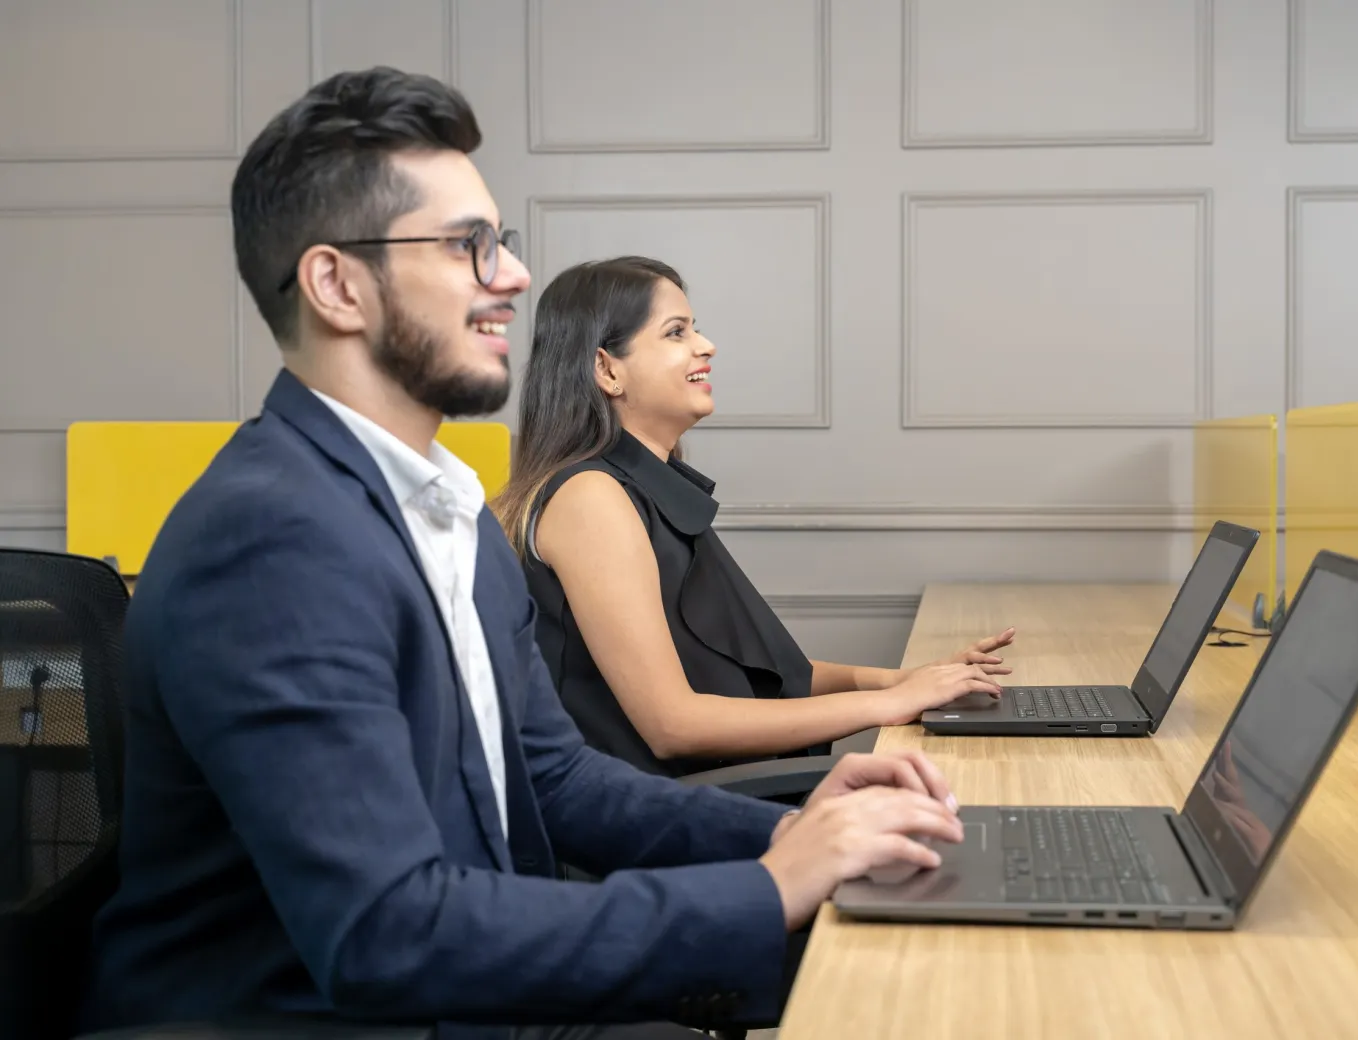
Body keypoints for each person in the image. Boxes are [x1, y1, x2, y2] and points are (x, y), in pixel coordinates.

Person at [81, 66, 968, 1040]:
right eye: (468, 246)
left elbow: (558, 779)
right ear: (337, 284)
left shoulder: (447, 504)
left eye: (501, 243)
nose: (510, 275)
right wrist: (767, 887)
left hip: (471, 990)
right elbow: (386, 931)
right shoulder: (271, 540)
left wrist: (796, 833)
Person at [493, 257, 1016, 778]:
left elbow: (766, 677)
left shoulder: (642, 489)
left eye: (695, 328)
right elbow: (673, 725)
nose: (706, 345)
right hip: (668, 822)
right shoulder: (591, 498)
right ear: (607, 370)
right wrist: (888, 706)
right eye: (676, 333)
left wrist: (903, 682)